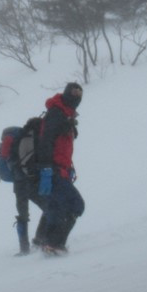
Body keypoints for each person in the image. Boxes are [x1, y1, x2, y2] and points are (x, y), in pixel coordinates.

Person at [34, 82, 85, 254]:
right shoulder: (56, 113)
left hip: (60, 170)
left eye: (80, 93)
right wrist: (47, 168)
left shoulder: (65, 114)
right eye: (74, 91)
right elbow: (45, 141)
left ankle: (44, 242)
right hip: (53, 170)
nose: (77, 96)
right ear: (66, 93)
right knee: (76, 204)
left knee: (57, 206)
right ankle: (54, 244)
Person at [8, 116, 47, 255]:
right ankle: (39, 240)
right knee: (48, 207)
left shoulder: (20, 137)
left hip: (18, 183)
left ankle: (24, 248)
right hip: (27, 182)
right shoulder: (30, 137)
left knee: (22, 214)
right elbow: (26, 161)